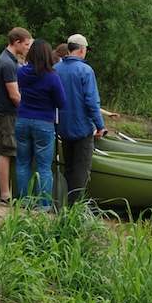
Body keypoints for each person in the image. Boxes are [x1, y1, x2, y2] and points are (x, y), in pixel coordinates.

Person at [55, 33, 107, 206]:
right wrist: (100, 126)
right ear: (82, 50)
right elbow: (91, 102)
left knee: (68, 166)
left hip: (61, 127)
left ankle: (64, 203)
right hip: (82, 128)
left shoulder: (56, 69)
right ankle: (74, 208)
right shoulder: (85, 70)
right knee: (81, 169)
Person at [15, 39, 66, 210]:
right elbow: (61, 102)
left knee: (23, 162)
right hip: (44, 122)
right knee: (44, 166)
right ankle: (43, 203)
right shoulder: (52, 77)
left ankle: (23, 200)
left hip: (22, 119)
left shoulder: (22, 73)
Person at [0, 27, 33, 202]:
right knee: (6, 151)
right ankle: (5, 194)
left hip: (8, 113)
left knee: (10, 150)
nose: (27, 48)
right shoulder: (8, 63)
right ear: (16, 42)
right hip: (7, 114)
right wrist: (28, 110)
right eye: (25, 44)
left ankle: (9, 191)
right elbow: (14, 95)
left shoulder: (10, 59)